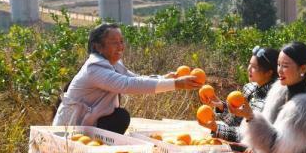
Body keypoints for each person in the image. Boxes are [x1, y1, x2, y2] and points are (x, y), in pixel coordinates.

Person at [52, 23, 202, 133]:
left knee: (119, 116)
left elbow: (134, 78)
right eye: (114, 43)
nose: (120, 47)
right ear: (98, 47)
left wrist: (164, 78)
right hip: (69, 130)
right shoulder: (94, 68)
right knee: (120, 117)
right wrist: (176, 84)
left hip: (88, 122)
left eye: (121, 42)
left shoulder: (113, 64)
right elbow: (128, 84)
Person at [199, 46, 279, 146]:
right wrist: (221, 106)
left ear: (269, 73)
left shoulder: (273, 99)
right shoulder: (249, 88)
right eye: (250, 64)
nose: (249, 69)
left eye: (254, 67)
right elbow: (239, 123)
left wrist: (217, 128)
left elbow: (249, 136)